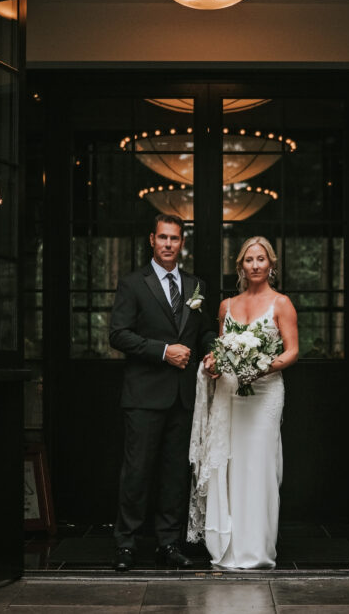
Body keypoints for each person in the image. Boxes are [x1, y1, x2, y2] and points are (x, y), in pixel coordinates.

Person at [109, 214, 217, 571]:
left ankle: (169, 544)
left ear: (181, 243)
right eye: (163, 238)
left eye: (175, 239)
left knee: (174, 474)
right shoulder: (132, 284)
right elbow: (118, 334)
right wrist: (163, 350)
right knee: (137, 472)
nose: (169, 244)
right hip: (143, 395)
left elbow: (200, 334)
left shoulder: (195, 286)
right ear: (151, 240)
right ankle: (126, 545)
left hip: (183, 397)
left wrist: (213, 350)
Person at [189, 236, 299, 569]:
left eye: (261, 259)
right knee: (232, 465)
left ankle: (257, 548)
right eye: (248, 260)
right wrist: (213, 364)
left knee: (260, 466)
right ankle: (230, 544)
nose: (255, 265)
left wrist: (266, 365)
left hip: (265, 394)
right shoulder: (226, 306)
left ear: (271, 264)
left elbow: (292, 351)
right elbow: (223, 350)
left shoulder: (281, 304)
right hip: (232, 394)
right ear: (240, 266)